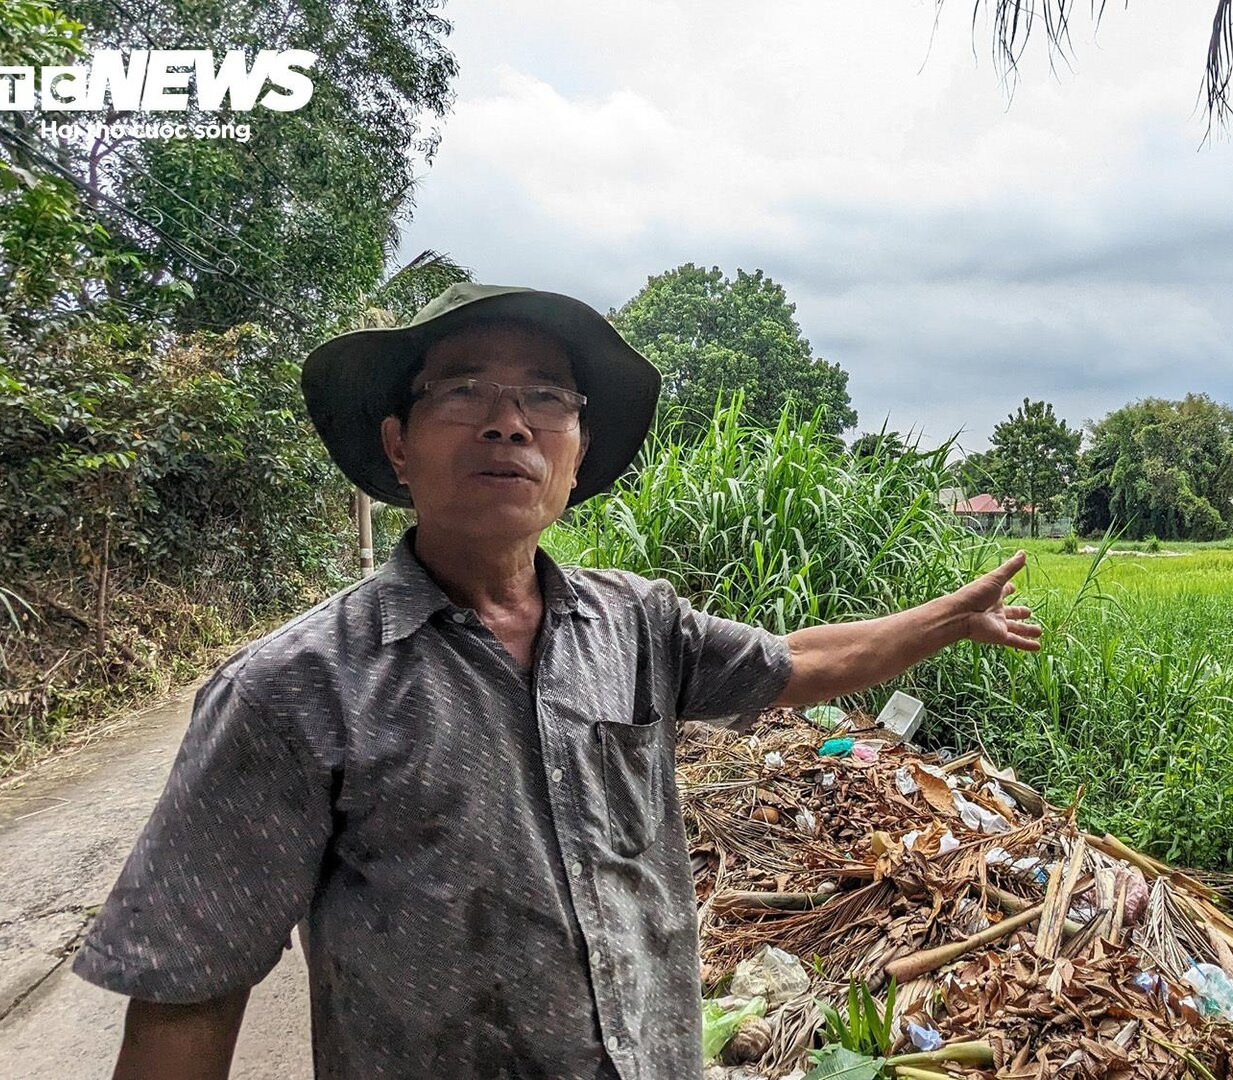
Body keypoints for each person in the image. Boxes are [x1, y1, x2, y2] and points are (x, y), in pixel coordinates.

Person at [72, 283, 1043, 1080]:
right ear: (399, 445)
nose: (507, 422)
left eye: (546, 397)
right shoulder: (295, 687)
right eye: (463, 391)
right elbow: (187, 996)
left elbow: (795, 665)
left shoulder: (636, 625)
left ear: (576, 458)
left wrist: (940, 623)